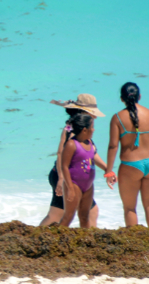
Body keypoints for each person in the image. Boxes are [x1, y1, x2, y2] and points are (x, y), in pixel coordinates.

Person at [39, 95, 113, 227]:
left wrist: (108, 170)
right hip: (65, 177)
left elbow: (90, 155)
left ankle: (87, 241)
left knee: (86, 213)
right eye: (92, 113)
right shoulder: (70, 129)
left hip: (73, 179)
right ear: (83, 111)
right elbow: (61, 153)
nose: (95, 117)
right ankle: (36, 239)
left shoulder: (85, 132)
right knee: (57, 215)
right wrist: (61, 179)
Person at [106, 81, 149, 227]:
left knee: (130, 208)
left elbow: (113, 146)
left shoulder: (117, 118)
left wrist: (109, 170)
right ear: (140, 96)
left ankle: (134, 243)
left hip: (130, 165)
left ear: (122, 99)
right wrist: (147, 145)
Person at [56, 112, 114, 227]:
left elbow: (94, 159)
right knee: (69, 216)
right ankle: (54, 241)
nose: (94, 130)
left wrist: (109, 171)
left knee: (84, 216)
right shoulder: (72, 144)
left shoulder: (90, 143)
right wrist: (70, 188)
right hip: (74, 184)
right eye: (92, 127)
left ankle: (87, 243)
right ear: (84, 130)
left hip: (88, 185)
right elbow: (65, 166)